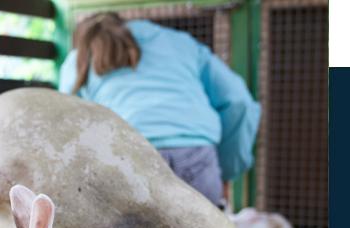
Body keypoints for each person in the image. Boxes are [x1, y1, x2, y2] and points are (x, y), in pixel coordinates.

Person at [59, 12, 261, 207]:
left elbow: (69, 123)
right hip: (196, 158)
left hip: (129, 156)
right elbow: (239, 103)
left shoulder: (77, 61)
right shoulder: (182, 43)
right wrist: (227, 170)